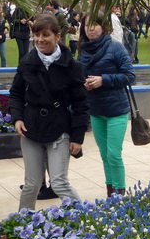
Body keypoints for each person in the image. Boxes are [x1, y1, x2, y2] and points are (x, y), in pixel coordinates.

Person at [9, 12, 87, 209]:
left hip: (59, 128)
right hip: (31, 128)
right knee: (31, 184)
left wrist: (77, 137)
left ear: (57, 37)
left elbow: (81, 103)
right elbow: (16, 93)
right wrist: (17, 118)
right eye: (36, 35)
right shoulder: (27, 62)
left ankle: (85, 218)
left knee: (60, 183)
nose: (40, 40)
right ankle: (22, 224)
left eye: (45, 35)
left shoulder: (72, 66)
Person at [79, 13, 136, 195]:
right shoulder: (83, 51)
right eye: (88, 25)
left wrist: (104, 80)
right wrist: (84, 84)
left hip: (116, 110)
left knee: (113, 154)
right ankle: (110, 191)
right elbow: (78, 76)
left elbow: (129, 76)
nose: (91, 28)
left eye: (95, 24)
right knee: (104, 155)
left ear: (104, 27)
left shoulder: (116, 47)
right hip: (96, 110)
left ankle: (120, 192)